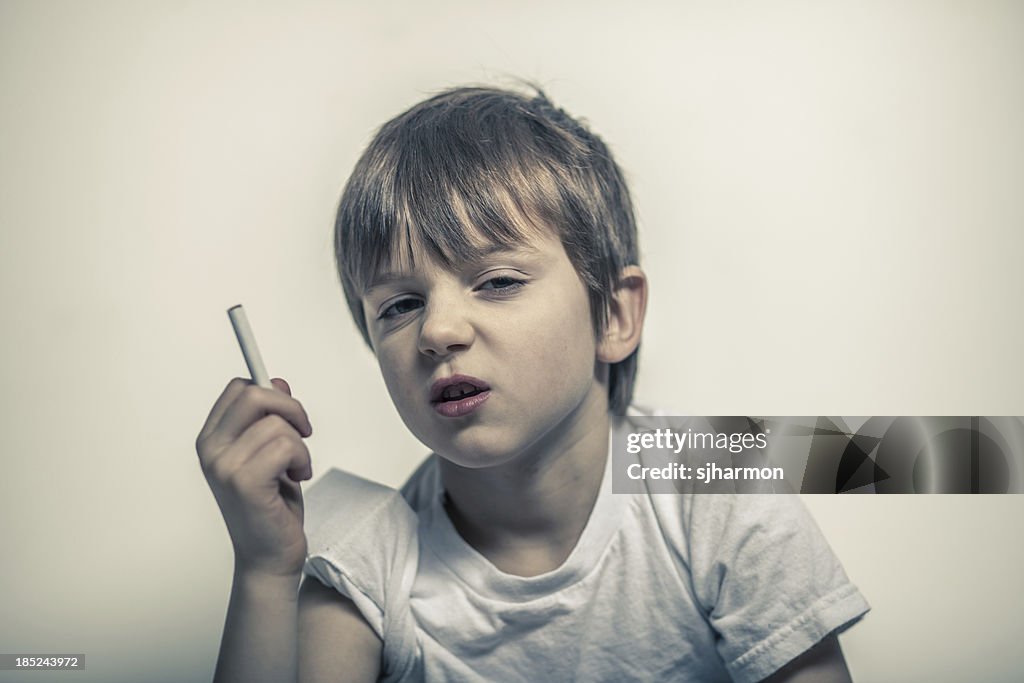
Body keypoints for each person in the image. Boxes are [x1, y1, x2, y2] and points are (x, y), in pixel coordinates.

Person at [196, 84, 869, 682]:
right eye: (399, 305)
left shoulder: (713, 482)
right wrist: (265, 570)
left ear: (613, 313)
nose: (438, 330)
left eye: (497, 281)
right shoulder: (361, 554)